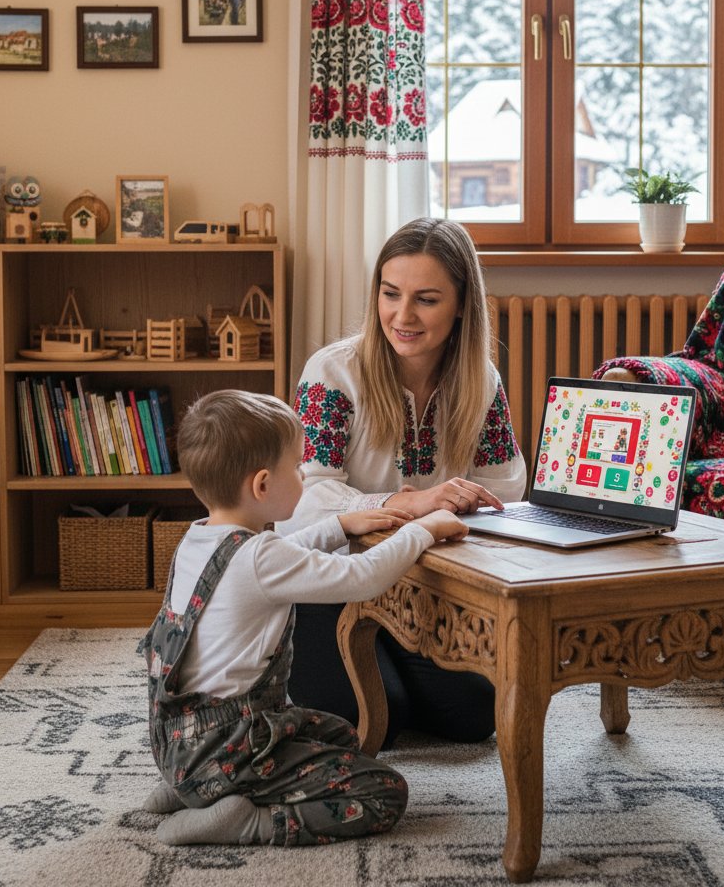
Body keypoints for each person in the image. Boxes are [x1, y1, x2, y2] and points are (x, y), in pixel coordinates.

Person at [139, 388, 467, 848]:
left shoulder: (199, 541)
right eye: (297, 466)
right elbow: (362, 577)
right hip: (236, 748)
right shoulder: (260, 559)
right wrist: (421, 530)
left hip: (180, 742)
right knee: (384, 791)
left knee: (340, 736)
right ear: (261, 485)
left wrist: (339, 525)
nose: (304, 474)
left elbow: (276, 560)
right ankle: (243, 819)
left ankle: (189, 786)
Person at [279, 217, 528, 746]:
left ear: (462, 304)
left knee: (473, 717)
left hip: (420, 583)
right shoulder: (333, 372)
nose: (402, 315)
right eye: (390, 294)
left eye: (426, 299)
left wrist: (456, 505)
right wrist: (408, 503)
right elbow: (304, 501)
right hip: (328, 587)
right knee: (370, 721)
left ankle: (390, 657)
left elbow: (505, 486)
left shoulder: (481, 380)